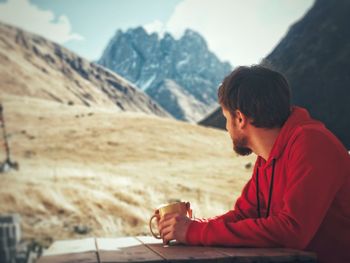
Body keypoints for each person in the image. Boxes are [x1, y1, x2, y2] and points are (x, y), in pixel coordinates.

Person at [157, 66, 350, 263]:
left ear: (240, 118)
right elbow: (243, 215)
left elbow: (292, 230)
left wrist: (194, 232)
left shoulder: (312, 143)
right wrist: (191, 227)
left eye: (226, 118)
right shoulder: (267, 158)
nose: (226, 127)